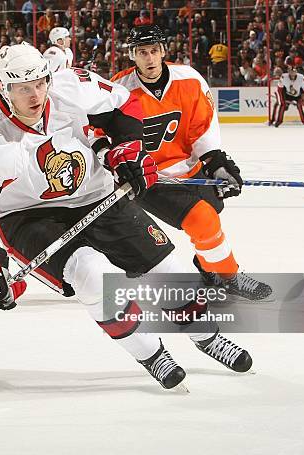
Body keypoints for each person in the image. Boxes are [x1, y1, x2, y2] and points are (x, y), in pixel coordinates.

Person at [0, 43, 253, 390]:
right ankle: (152, 354)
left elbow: (123, 105)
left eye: (40, 83)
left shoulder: (71, 86)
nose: (36, 94)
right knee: (94, 276)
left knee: (172, 272)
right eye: (23, 88)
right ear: (4, 88)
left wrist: (126, 151)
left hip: (97, 194)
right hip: (29, 217)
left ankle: (207, 337)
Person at [110, 25, 271, 300]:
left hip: (190, 170)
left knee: (212, 211)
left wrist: (216, 162)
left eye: (154, 51)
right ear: (132, 56)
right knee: (202, 219)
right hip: (151, 178)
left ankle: (209, 265)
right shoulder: (119, 90)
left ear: (163, 51)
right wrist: (121, 164)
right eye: (142, 52)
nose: (149, 59)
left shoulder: (189, 79)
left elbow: (202, 128)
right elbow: (105, 135)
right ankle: (227, 275)